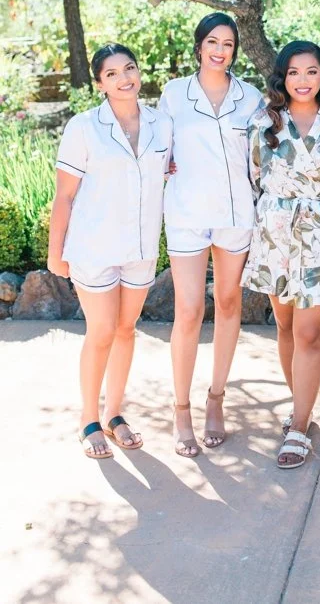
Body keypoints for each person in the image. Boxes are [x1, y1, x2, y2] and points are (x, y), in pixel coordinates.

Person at [47, 44, 172, 459]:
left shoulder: (162, 124)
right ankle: (88, 419)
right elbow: (65, 196)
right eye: (112, 74)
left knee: (126, 329)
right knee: (101, 331)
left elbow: (169, 169)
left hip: (140, 247)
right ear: (100, 83)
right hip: (94, 247)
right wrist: (55, 251)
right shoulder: (84, 127)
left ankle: (114, 414)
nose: (124, 79)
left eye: (129, 68)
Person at [241, 41, 320, 469]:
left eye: (311, 71)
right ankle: (300, 406)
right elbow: (254, 176)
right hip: (275, 232)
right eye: (293, 72)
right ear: (282, 77)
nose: (302, 80)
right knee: (286, 326)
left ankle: (300, 426)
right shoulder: (264, 122)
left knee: (310, 334)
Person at [159, 12, 265, 457]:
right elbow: (158, 149)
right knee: (188, 311)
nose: (220, 51)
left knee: (227, 303)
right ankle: (181, 409)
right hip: (186, 213)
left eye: (228, 44)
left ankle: (216, 399)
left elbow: (262, 155)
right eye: (212, 42)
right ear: (199, 45)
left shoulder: (251, 97)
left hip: (235, 214)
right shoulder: (174, 94)